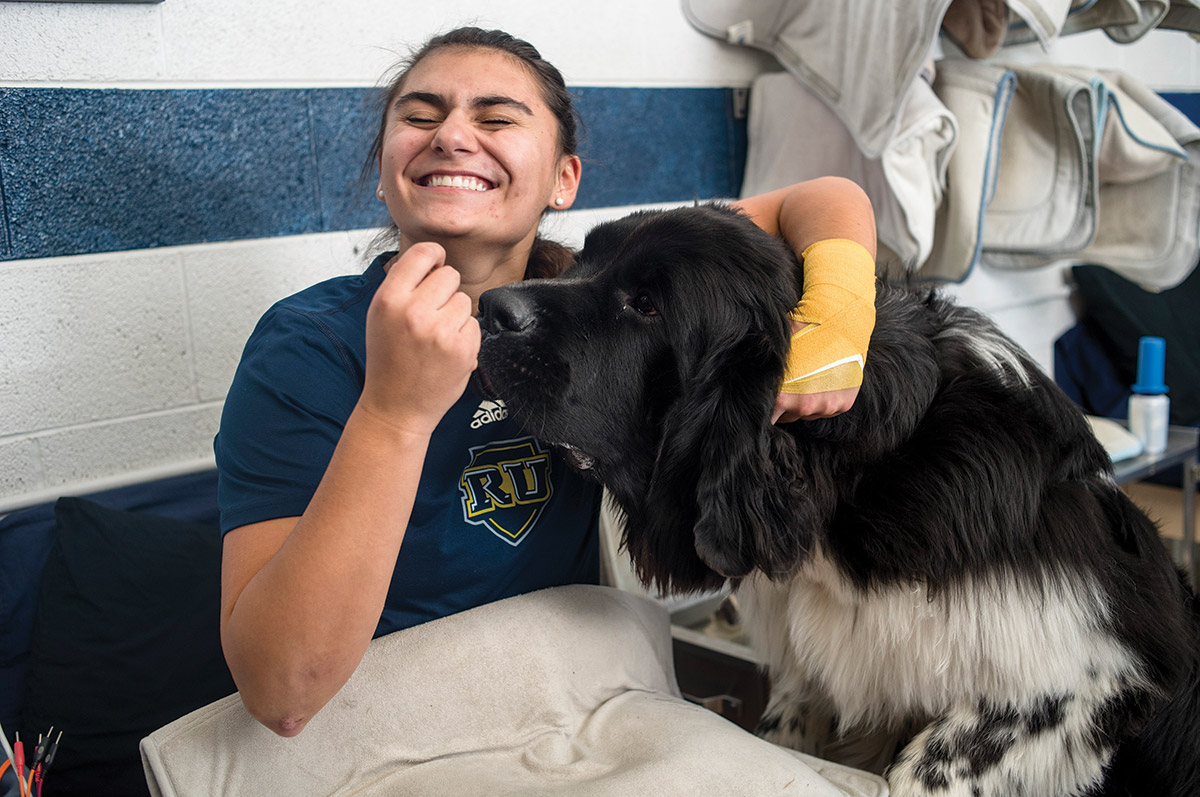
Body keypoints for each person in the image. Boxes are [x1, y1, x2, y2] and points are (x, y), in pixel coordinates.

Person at [216, 27, 878, 738]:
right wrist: (393, 414)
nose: (452, 136)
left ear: (565, 179)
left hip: (568, 700)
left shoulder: (593, 296)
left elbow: (821, 196)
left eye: (496, 118)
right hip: (390, 730)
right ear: (383, 168)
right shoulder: (306, 347)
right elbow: (281, 689)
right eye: (419, 115)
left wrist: (837, 316)